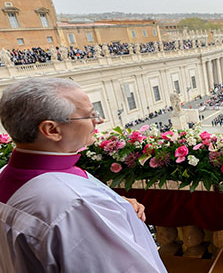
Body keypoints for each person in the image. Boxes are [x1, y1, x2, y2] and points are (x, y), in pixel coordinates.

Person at [0, 77, 167, 273]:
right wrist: (96, 209)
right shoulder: (76, 205)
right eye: (90, 115)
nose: (99, 120)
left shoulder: (6, 174)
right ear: (52, 130)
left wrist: (115, 206)